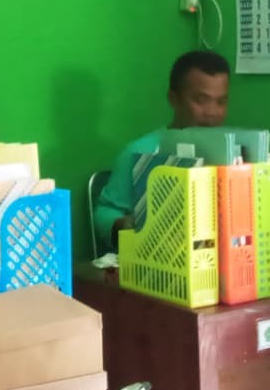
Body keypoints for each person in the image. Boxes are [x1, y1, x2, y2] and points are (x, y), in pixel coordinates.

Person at [92, 50, 230, 255]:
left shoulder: (235, 155)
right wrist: (125, 225)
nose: (212, 112)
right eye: (201, 100)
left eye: (221, 102)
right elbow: (105, 212)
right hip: (157, 261)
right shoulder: (141, 151)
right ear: (174, 99)